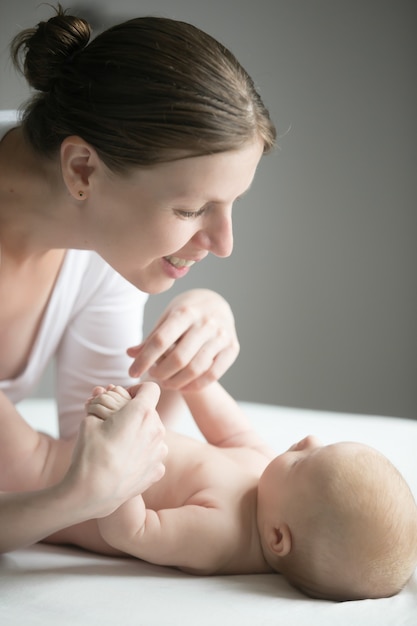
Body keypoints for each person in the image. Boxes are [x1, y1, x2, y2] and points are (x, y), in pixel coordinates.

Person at [0, 6, 276, 551]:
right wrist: (73, 501)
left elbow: (100, 450)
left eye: (230, 206)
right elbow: (77, 484)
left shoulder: (104, 244)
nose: (224, 245)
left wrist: (187, 349)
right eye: (191, 208)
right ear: (82, 169)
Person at [2, 382, 417, 602]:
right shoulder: (267, 477)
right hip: (61, 448)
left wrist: (122, 445)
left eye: (307, 460)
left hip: (37, 474)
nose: (308, 439)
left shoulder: (222, 536)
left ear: (278, 537)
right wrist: (195, 375)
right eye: (322, 445)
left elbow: (131, 530)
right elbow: (229, 428)